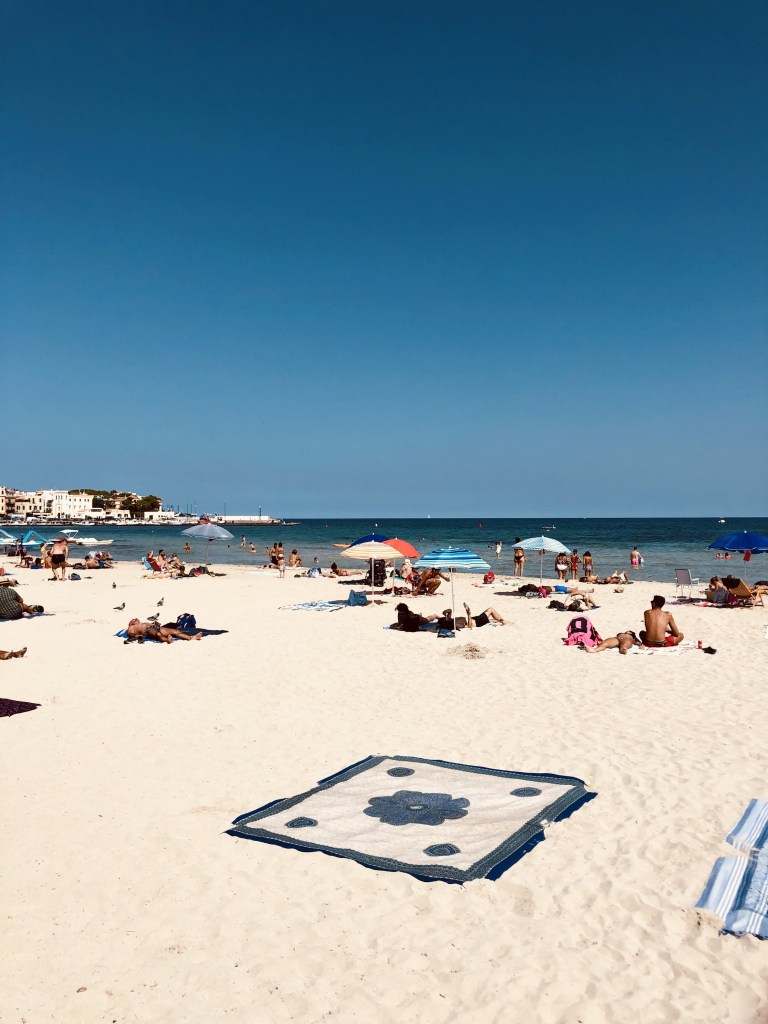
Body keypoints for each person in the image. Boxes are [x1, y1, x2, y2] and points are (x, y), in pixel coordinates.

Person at [126, 618, 203, 642]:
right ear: (131, 623)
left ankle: (191, 638)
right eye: (133, 619)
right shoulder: (131, 627)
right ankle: (167, 640)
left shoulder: (142, 623)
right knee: (158, 634)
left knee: (175, 631)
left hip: (157, 627)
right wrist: (137, 635)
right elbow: (130, 634)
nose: (135, 619)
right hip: (147, 630)